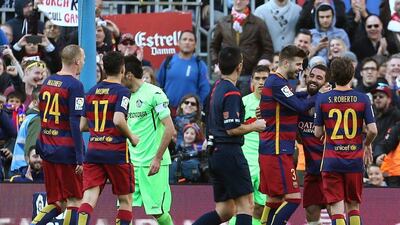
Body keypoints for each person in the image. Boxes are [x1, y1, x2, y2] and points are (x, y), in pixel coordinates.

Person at [192, 47, 266, 225]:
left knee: (225, 210)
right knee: (246, 205)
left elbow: (203, 120)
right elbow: (231, 129)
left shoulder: (214, 89)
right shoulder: (232, 92)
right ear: (240, 66)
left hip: (214, 154)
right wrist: (255, 125)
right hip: (229, 153)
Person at [76, 51, 139, 225]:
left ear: (103, 68)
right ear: (123, 69)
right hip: (116, 151)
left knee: (88, 197)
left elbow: (82, 126)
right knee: (125, 200)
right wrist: (132, 137)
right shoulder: (122, 92)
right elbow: (118, 120)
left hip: (94, 150)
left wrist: (98, 126)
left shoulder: (90, 92)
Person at [258, 45, 318, 225]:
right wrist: (320, 95)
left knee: (274, 200)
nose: (301, 68)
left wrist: (309, 94)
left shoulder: (281, 83)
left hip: (273, 150)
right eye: (298, 64)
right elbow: (299, 107)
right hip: (276, 150)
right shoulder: (277, 82)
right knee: (293, 198)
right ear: (285, 62)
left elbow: (293, 99)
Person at [314, 57, 377, 225]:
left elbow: (317, 132)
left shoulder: (323, 99)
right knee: (353, 206)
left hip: (331, 160)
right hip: (354, 160)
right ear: (352, 75)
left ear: (332, 75)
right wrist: (367, 144)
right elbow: (373, 130)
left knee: (336, 208)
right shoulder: (363, 98)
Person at [32, 44, 86, 225]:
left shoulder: (47, 82)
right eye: (84, 59)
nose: (84, 62)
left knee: (57, 202)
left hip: (48, 146)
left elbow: (41, 115)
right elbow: (74, 122)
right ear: (77, 62)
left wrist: (40, 143)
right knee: (75, 200)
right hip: (66, 150)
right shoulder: (75, 85)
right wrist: (80, 156)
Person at [125, 55, 175, 225]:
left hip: (153, 164)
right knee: (123, 209)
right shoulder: (124, 97)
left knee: (158, 212)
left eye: (120, 73)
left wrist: (158, 158)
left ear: (129, 75)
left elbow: (170, 129)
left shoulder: (154, 93)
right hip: (132, 164)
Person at [228, 65, 269, 225]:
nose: (261, 82)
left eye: (264, 78)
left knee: (262, 207)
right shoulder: (242, 102)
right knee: (241, 206)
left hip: (267, 162)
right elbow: (232, 129)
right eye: (257, 78)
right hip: (246, 161)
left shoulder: (277, 105)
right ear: (252, 81)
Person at [210, 0, 273, 96]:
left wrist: (263, 61)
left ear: (247, 1)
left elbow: (268, 49)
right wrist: (216, 63)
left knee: (246, 107)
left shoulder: (258, 23)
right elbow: (214, 46)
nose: (238, 2)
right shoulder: (222, 22)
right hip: (227, 75)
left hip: (249, 75)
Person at [297, 64, 329, 225]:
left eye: (319, 78)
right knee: (310, 211)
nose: (313, 80)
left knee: (335, 211)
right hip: (312, 169)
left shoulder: (332, 103)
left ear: (327, 84)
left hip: (331, 169)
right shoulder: (299, 99)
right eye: (312, 76)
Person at [157, 30, 210, 114]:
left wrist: (195, 107)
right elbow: (158, 85)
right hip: (168, 112)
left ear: (195, 45)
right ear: (179, 42)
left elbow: (205, 90)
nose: (187, 42)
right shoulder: (168, 61)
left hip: (190, 114)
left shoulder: (199, 64)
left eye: (191, 40)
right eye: (184, 39)